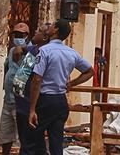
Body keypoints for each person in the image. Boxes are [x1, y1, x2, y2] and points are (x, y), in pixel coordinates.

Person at [27, 19, 94, 155]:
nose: (49, 27)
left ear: (56, 30)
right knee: (56, 142)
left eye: (51, 26)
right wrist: (71, 83)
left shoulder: (45, 51)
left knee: (31, 140)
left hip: (45, 100)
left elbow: (37, 79)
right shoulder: (71, 53)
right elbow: (90, 71)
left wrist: (32, 109)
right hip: (61, 101)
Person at [14, 23, 52, 155]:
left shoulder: (44, 54)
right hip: (22, 101)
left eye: (39, 31)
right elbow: (21, 75)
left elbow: (36, 79)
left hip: (31, 103)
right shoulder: (33, 50)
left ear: (45, 37)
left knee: (31, 143)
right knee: (27, 141)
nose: (35, 32)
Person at [0, 22, 30, 155]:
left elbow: (26, 75)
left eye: (20, 35)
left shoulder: (31, 53)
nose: (17, 37)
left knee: (23, 134)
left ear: (27, 36)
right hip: (8, 99)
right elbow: (7, 68)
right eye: (16, 34)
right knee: (6, 133)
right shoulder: (11, 51)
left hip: (21, 100)